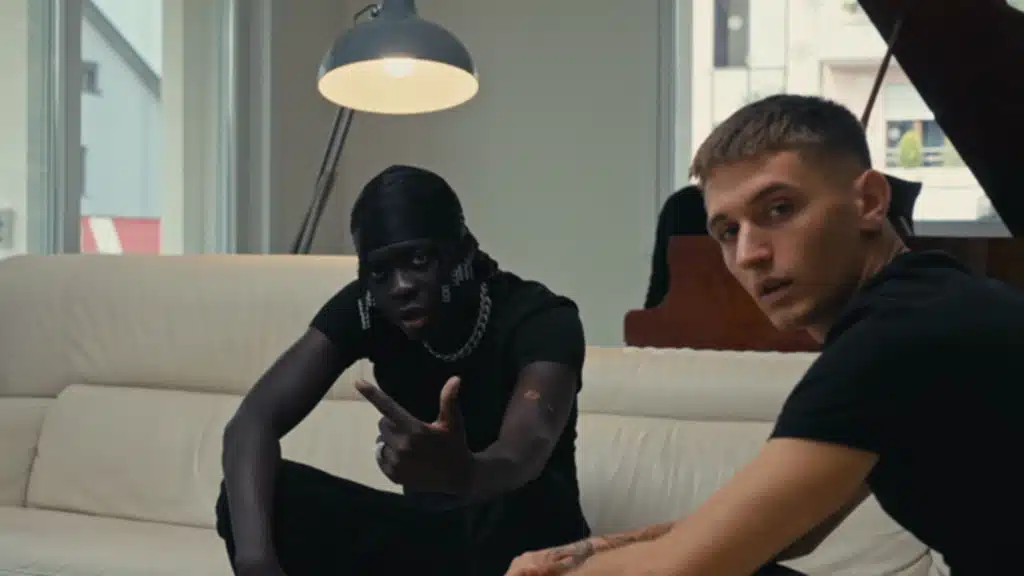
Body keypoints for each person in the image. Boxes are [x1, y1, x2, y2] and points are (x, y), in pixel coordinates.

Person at [507, 94, 1021, 575]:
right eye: (728, 232)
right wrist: (584, 553)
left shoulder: (896, 339)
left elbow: (684, 568)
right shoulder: (928, 304)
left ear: (869, 201)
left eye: (779, 210)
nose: (750, 254)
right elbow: (788, 534)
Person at [216, 164, 590, 575]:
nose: (400, 286)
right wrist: (256, 560)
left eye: (419, 260)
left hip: (532, 543)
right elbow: (251, 423)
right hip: (437, 541)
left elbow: (524, 452)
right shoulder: (369, 309)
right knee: (257, 498)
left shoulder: (540, 319)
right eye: (380, 272)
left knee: (510, 506)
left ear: (464, 251)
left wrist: (463, 472)